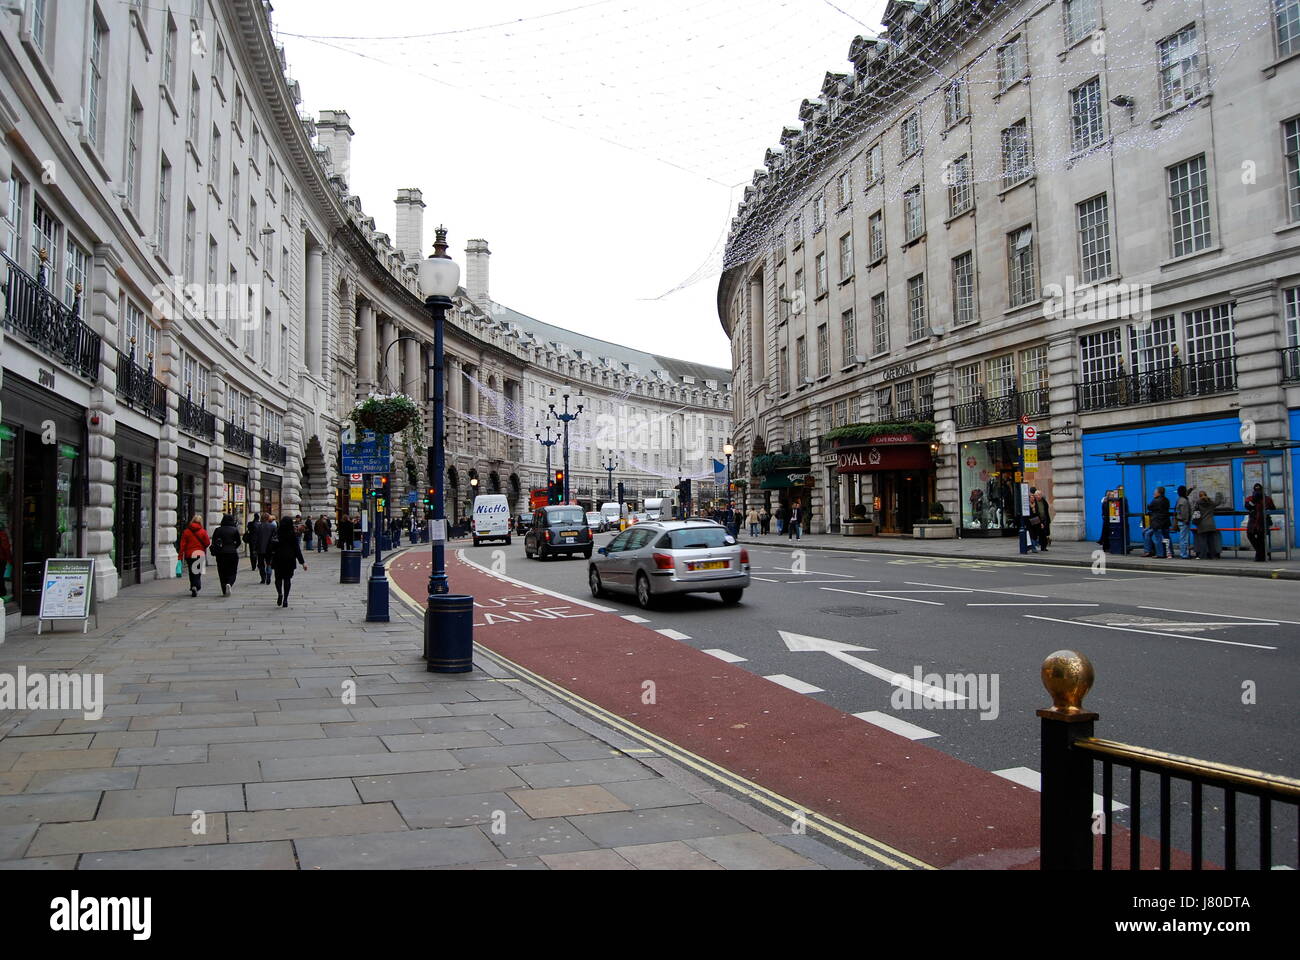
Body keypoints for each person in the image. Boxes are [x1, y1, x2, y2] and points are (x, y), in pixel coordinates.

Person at [270, 515, 307, 607]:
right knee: (287, 579)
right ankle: (285, 599)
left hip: (278, 558)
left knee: (278, 578)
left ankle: (279, 594)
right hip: (289, 558)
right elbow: (297, 549)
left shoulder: (277, 532)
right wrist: (302, 562)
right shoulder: (292, 534)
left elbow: (271, 546)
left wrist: (268, 558)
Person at [210, 513, 243, 596]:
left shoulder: (218, 530)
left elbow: (214, 542)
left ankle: (224, 589)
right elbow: (239, 542)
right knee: (232, 571)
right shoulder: (234, 530)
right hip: (232, 553)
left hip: (221, 554)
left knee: (222, 572)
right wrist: (233, 547)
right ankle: (229, 583)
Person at [178, 514, 211, 597]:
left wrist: (180, 556)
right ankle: (196, 586)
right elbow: (207, 543)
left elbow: (182, 545)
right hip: (199, 553)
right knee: (197, 571)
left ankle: (193, 585)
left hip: (189, 554)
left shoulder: (186, 532)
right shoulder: (203, 531)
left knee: (191, 571)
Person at [1244, 483, 1277, 563]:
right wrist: (1253, 501)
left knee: (1260, 538)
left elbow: (1273, 508)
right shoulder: (1250, 498)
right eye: (1256, 490)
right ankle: (1262, 553)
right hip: (1253, 521)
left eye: (1259, 490)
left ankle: (1259, 555)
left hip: (1263, 521)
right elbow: (1247, 506)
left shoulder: (1267, 499)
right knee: (1250, 535)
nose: (1258, 492)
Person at [1143, 487, 1172, 558]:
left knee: (1157, 538)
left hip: (1157, 522)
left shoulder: (1155, 501)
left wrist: (1148, 505)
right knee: (1166, 538)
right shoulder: (1166, 500)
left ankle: (1159, 553)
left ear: (1159, 493)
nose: (1154, 493)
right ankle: (1170, 553)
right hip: (1165, 522)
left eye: (1155, 492)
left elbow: (1150, 507)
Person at [1193, 490, 1220, 560]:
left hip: (1202, 524)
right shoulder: (1211, 502)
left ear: (1200, 496)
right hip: (1211, 524)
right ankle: (1213, 556)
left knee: (1203, 541)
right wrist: (1218, 495)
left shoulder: (1198, 503)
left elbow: (1195, 512)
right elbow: (1217, 502)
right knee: (1211, 541)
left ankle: (1202, 555)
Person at [253, 512, 277, 584]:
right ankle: (269, 575)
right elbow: (275, 538)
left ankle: (263, 578)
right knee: (269, 563)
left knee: (261, 564)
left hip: (260, 549)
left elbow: (255, 539)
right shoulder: (272, 527)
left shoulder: (258, 526)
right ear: (268, 518)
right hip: (270, 548)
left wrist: (254, 548)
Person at [1172, 485, 1194, 559]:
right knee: (1184, 539)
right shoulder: (1184, 501)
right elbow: (1185, 512)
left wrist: (1191, 489)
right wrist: (1186, 520)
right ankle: (1184, 554)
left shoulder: (1179, 499)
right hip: (1184, 521)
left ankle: (1184, 553)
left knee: (1183, 538)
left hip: (1180, 521)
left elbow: (1186, 494)